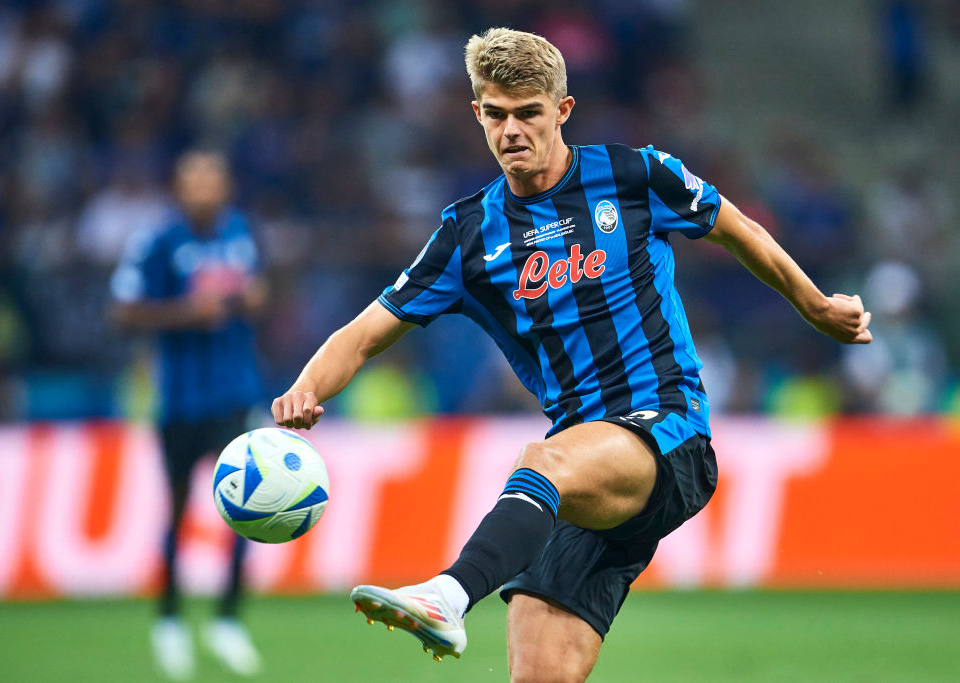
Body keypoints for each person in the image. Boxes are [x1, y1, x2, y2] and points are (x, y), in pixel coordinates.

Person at [272, 28, 872, 682]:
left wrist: (814, 304)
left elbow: (736, 227)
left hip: (667, 433)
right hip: (581, 470)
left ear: (561, 110)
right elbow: (361, 334)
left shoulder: (635, 174)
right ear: (477, 114)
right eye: (495, 114)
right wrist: (306, 388)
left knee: (541, 461)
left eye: (528, 112)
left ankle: (446, 594)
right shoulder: (466, 236)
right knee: (539, 674)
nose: (511, 130)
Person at [111, 151, 266, 680]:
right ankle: (171, 619)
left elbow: (259, 292)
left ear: (225, 187)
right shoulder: (157, 243)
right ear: (178, 189)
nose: (204, 190)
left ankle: (228, 619)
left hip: (233, 396)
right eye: (193, 181)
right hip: (178, 400)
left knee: (248, 512)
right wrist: (186, 312)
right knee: (177, 512)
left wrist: (251, 298)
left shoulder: (241, 231)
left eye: (212, 180)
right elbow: (123, 311)